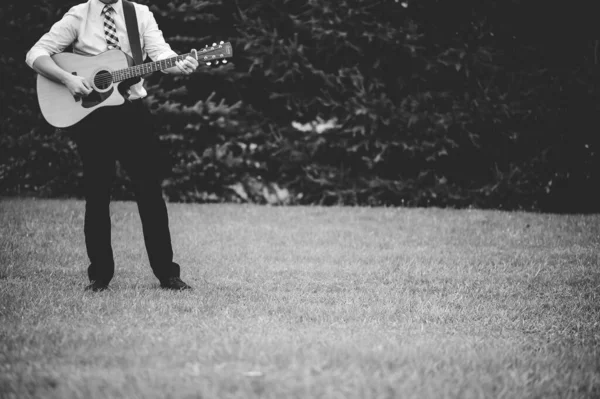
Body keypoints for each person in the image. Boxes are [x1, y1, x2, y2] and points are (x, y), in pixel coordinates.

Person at [26, 0, 199, 292]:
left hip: (133, 112)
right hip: (92, 116)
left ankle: (167, 274)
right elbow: (35, 53)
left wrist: (179, 64)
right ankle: (100, 276)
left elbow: (161, 53)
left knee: (150, 192)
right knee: (97, 194)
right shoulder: (79, 15)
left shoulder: (139, 14)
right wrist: (68, 79)